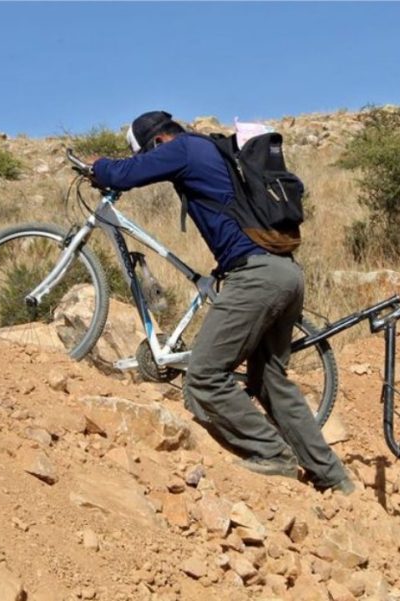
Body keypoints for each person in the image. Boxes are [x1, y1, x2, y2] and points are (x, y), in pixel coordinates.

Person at [89, 110, 353, 495]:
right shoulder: (213, 149)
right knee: (271, 381)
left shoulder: (182, 149)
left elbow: (126, 174)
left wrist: (98, 167)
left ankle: (273, 455)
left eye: (149, 151)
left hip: (257, 279)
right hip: (285, 274)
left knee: (204, 376)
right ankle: (335, 480)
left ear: (158, 141)